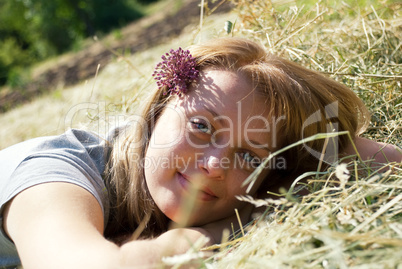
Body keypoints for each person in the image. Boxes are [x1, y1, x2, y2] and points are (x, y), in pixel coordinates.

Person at [0, 37, 400, 268]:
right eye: (202, 127)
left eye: (249, 156)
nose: (213, 166)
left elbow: (381, 161)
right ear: (158, 111)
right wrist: (223, 230)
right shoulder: (54, 174)